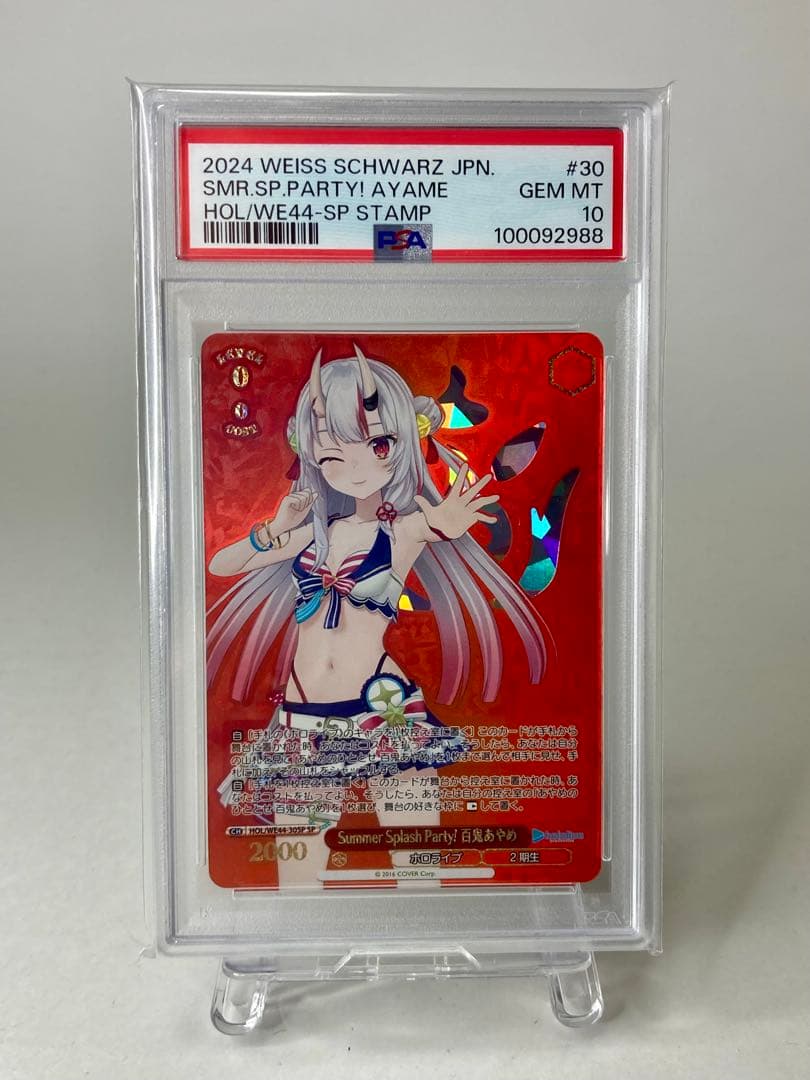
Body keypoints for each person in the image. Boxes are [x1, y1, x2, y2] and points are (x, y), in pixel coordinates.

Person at [208, 345, 546, 883]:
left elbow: (434, 525)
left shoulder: (400, 531)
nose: (356, 464)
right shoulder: (315, 534)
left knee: (418, 869)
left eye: (378, 444)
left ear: (402, 443)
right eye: (332, 452)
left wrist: (449, 519)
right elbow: (223, 564)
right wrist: (275, 528)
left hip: (383, 709)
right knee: (298, 879)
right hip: (304, 718)